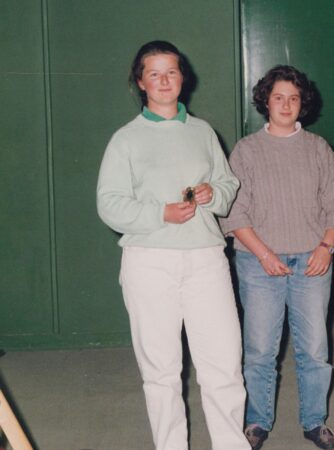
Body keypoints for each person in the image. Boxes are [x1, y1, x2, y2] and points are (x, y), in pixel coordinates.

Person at [96, 40, 249, 450]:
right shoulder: (125, 140)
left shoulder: (203, 132)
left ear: (183, 78)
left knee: (223, 365)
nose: (164, 81)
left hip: (206, 259)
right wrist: (159, 213)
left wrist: (211, 193)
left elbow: (227, 185)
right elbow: (109, 204)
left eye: (171, 72)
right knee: (161, 372)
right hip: (149, 262)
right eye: (154, 74)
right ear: (140, 82)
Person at [220, 65, 334, 450]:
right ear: (265, 100)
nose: (285, 104)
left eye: (293, 98)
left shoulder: (319, 148)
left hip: (312, 262)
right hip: (258, 263)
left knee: (314, 349)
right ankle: (257, 421)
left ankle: (315, 421)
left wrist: (326, 247)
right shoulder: (246, 150)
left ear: (302, 104)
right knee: (260, 349)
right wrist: (264, 254)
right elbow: (235, 213)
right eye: (278, 97)